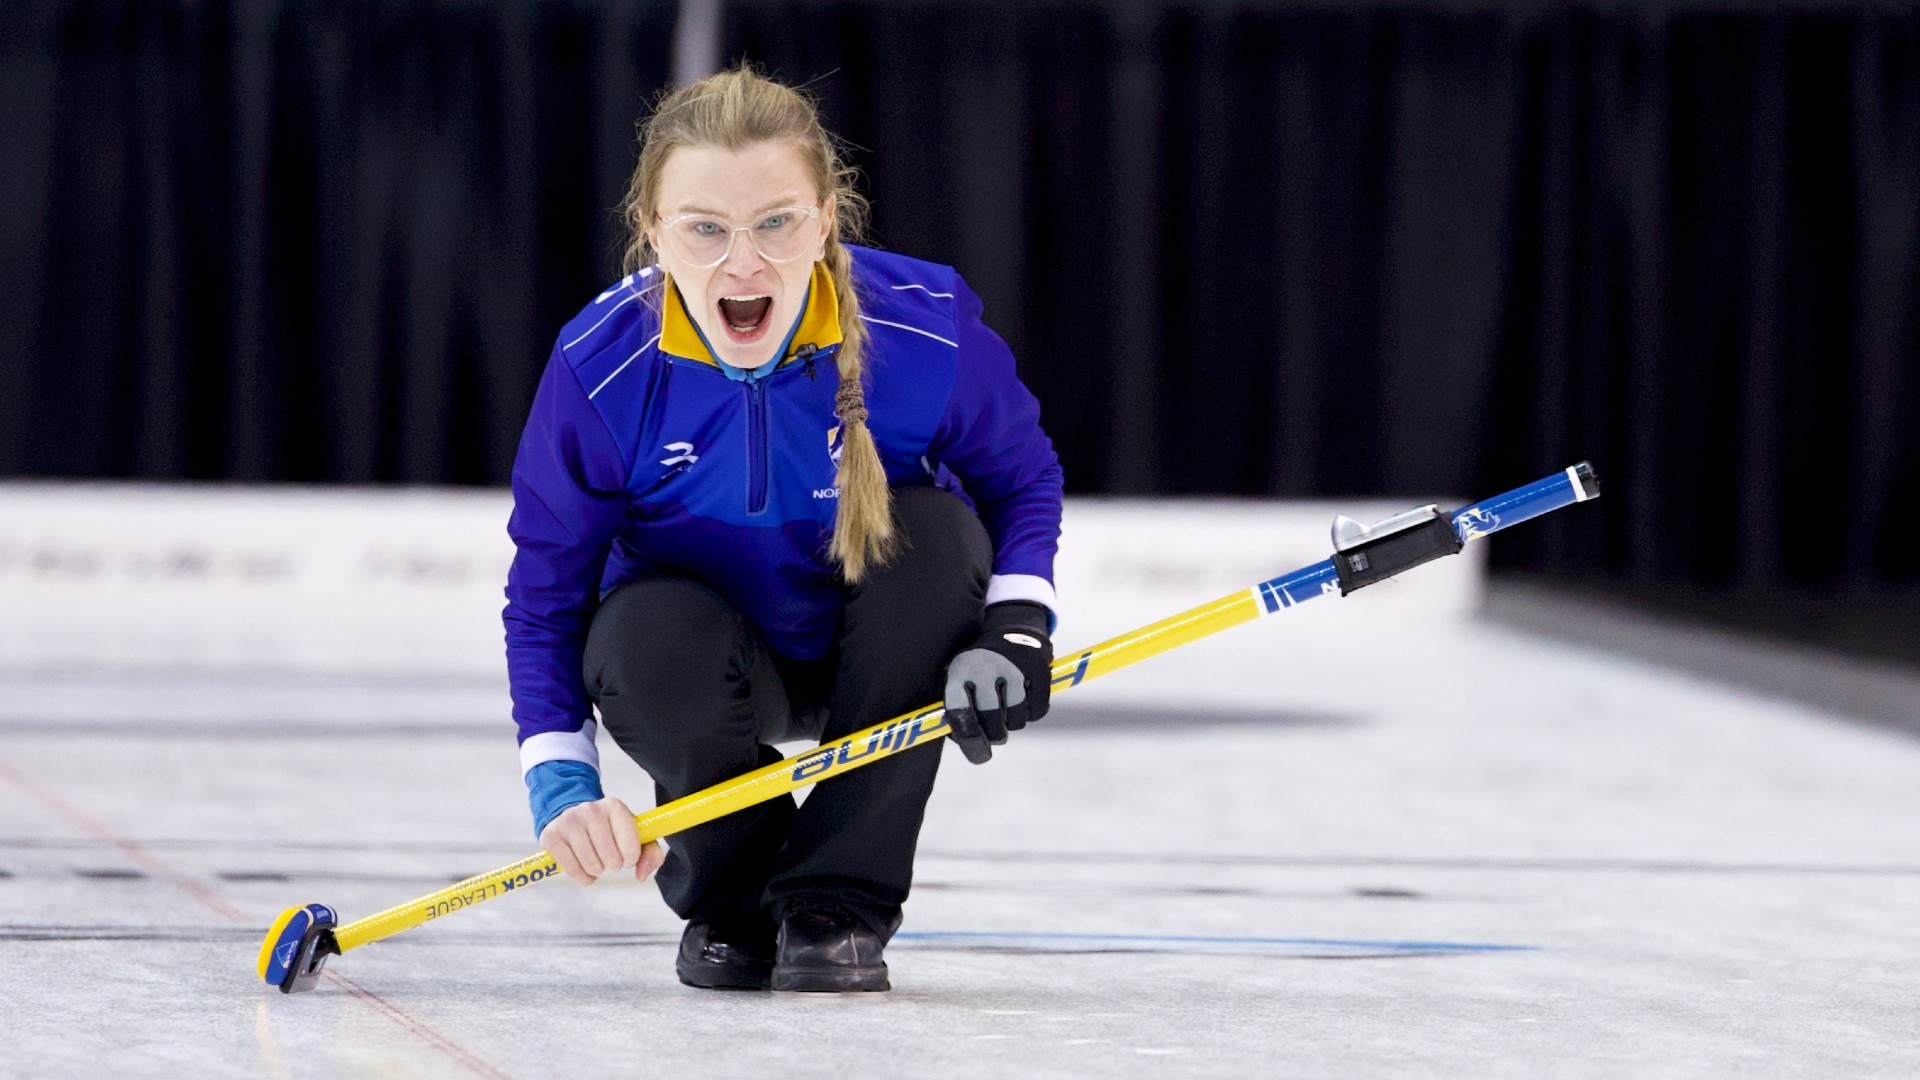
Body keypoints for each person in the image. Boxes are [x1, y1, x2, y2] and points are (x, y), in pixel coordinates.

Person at [501, 66, 1064, 993]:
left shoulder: (923, 328)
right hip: (706, 670)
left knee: (936, 532)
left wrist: (1016, 625)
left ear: (827, 217)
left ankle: (837, 900)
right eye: (705, 229)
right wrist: (560, 778)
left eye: (776, 221)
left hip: (883, 648)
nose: (744, 263)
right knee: (636, 632)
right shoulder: (599, 367)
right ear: (652, 232)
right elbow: (546, 591)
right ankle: (734, 894)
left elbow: (1022, 477)